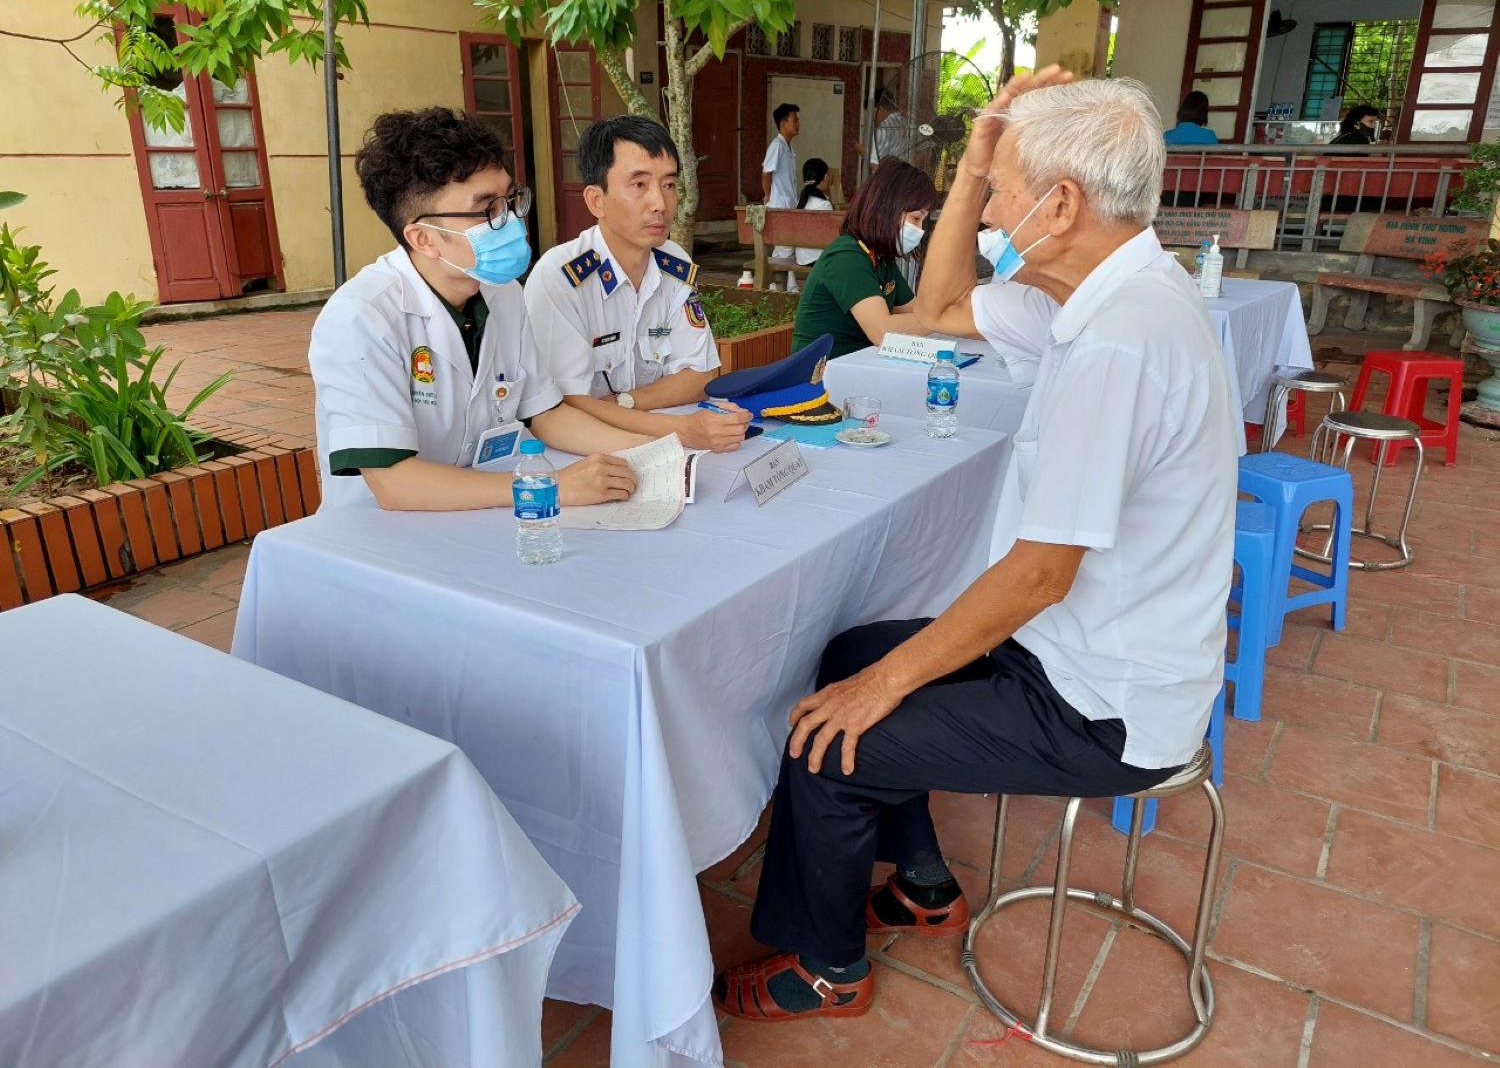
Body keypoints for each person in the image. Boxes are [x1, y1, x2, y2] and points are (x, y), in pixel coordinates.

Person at [713, 70, 1239, 1021]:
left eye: (999, 192)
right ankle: (920, 879)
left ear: (1061, 205)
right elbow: (935, 307)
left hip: (1102, 703)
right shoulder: (1102, 295)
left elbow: (1039, 575)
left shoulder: (1121, 339)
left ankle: (827, 968)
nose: (988, 210)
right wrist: (974, 161)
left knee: (829, 738)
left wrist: (887, 686)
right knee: (850, 654)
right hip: (1074, 651)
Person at [307, 108, 646, 513]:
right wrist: (547, 486)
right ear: (423, 238)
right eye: (487, 209)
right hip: (383, 532)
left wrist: (651, 450)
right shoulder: (360, 317)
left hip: (482, 508)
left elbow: (547, 414)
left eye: (510, 200)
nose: (512, 221)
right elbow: (394, 483)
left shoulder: (503, 293)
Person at [525, 115, 751, 452]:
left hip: (656, 444)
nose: (659, 203)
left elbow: (700, 376)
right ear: (596, 200)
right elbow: (567, 406)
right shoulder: (560, 277)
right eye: (639, 185)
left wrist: (624, 401)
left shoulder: (674, 263)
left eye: (669, 185)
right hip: (576, 455)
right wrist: (680, 431)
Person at [790, 159, 937, 360]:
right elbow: (882, 331)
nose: (919, 230)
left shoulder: (881, 258)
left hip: (856, 365)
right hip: (820, 373)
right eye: (916, 218)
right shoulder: (847, 256)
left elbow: (915, 312)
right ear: (887, 208)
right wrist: (943, 319)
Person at [762, 103, 801, 271]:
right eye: (795, 120)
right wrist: (768, 195)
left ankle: (777, 282)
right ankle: (782, 282)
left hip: (788, 204)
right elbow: (766, 173)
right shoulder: (777, 146)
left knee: (785, 247)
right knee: (785, 247)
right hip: (779, 204)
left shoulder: (788, 147)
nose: (798, 124)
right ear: (783, 123)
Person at [856, 87, 917, 168]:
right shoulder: (907, 123)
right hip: (908, 173)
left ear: (880, 110)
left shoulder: (882, 130)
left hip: (892, 175)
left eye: (873, 114)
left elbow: (877, 167)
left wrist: (863, 151)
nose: (873, 119)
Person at [794, 157, 834, 269]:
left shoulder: (801, 202)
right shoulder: (824, 205)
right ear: (825, 177)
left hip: (802, 258)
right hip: (818, 259)